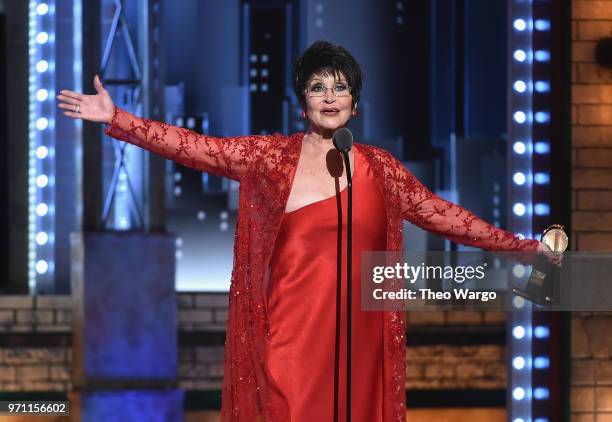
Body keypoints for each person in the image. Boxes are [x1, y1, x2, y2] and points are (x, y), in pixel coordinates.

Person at [58, 40, 558, 422]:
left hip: (359, 351)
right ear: (303, 102)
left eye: (341, 87)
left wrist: (522, 247)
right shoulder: (270, 161)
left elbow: (444, 215)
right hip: (288, 350)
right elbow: (195, 147)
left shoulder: (380, 171)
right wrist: (118, 118)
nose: (330, 97)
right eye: (318, 87)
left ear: (356, 104)